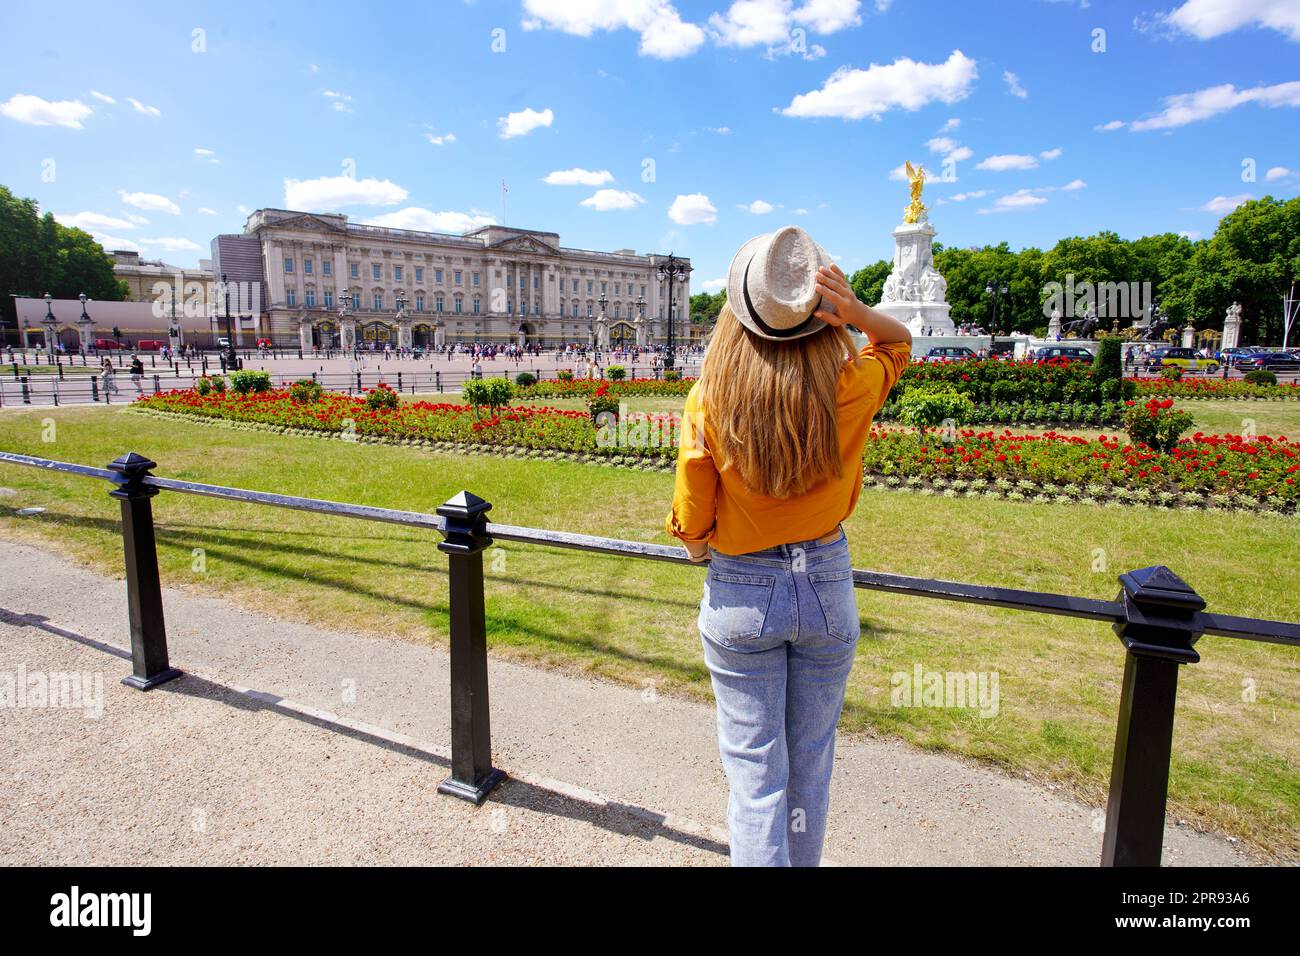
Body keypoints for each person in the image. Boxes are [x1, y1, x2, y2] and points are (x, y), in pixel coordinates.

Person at [665, 226, 911, 867]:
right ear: (821, 317)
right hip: (825, 582)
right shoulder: (852, 385)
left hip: (741, 592)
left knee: (756, 778)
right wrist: (854, 312)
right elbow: (899, 340)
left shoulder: (710, 399)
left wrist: (697, 549)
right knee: (810, 767)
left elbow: (694, 513)